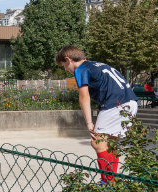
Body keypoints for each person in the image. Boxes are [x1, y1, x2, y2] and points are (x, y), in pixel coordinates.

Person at [55, 46, 138, 184]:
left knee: (97, 141)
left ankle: (108, 182)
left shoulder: (80, 69)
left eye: (64, 65)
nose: (65, 69)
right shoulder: (98, 64)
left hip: (114, 104)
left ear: (68, 60)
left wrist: (89, 122)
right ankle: (112, 181)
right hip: (130, 102)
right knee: (110, 143)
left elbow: (84, 97)